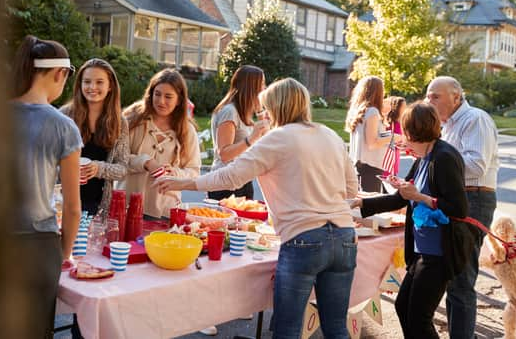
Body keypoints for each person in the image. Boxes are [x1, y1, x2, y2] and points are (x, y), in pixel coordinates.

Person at [156, 78, 358, 339]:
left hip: (303, 238)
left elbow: (229, 177)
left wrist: (183, 182)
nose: (263, 114)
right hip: (344, 236)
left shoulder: (277, 138)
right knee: (336, 328)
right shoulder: (329, 135)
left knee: (287, 329)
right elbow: (352, 189)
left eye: (266, 108)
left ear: (276, 107)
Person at [351, 102, 472, 338]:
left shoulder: (444, 157)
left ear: (411, 131)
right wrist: (362, 203)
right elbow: (400, 199)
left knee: (419, 318)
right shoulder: (423, 158)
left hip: (439, 253)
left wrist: (419, 196)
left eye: (404, 132)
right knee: (403, 307)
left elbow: (459, 208)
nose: (401, 138)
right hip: (421, 251)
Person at [10, 35, 82, 338]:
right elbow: (72, 206)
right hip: (37, 246)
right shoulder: (63, 126)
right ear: (59, 74)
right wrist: (65, 253)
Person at [426, 76, 499, 338]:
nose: (429, 101)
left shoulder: (474, 119)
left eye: (435, 96)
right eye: (428, 96)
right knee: (451, 276)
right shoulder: (447, 126)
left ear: (456, 97)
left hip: (473, 199)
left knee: (461, 279)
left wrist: (437, 162)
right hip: (456, 199)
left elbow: (476, 165)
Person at [122, 68, 200, 218]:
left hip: (165, 211)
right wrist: (145, 162)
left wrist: (175, 173)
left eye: (168, 96)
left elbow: (194, 171)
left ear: (179, 100)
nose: (161, 101)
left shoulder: (187, 130)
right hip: (127, 206)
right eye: (157, 94)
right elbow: (117, 158)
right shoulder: (132, 120)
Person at [61, 59, 129, 217]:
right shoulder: (64, 116)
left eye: (99, 82)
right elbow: (49, 162)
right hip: (64, 202)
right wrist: (68, 168)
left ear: (110, 86)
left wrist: (98, 168)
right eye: (87, 82)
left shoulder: (120, 122)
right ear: (80, 85)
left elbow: (123, 168)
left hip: (99, 207)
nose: (92, 87)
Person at [208, 65, 269, 200]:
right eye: (262, 84)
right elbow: (224, 154)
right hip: (225, 184)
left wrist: (260, 113)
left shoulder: (244, 113)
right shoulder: (230, 112)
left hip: (242, 180)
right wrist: (251, 138)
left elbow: (265, 140)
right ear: (251, 87)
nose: (265, 88)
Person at [346, 76, 401, 192]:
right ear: (377, 92)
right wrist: (392, 137)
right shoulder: (372, 111)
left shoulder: (358, 111)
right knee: (369, 206)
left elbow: (369, 137)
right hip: (370, 167)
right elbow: (372, 143)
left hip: (359, 165)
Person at [386, 96, 407, 176]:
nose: (405, 108)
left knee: (393, 175)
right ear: (397, 107)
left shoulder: (402, 122)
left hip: (396, 154)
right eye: (403, 106)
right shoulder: (390, 123)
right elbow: (384, 137)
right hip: (389, 154)